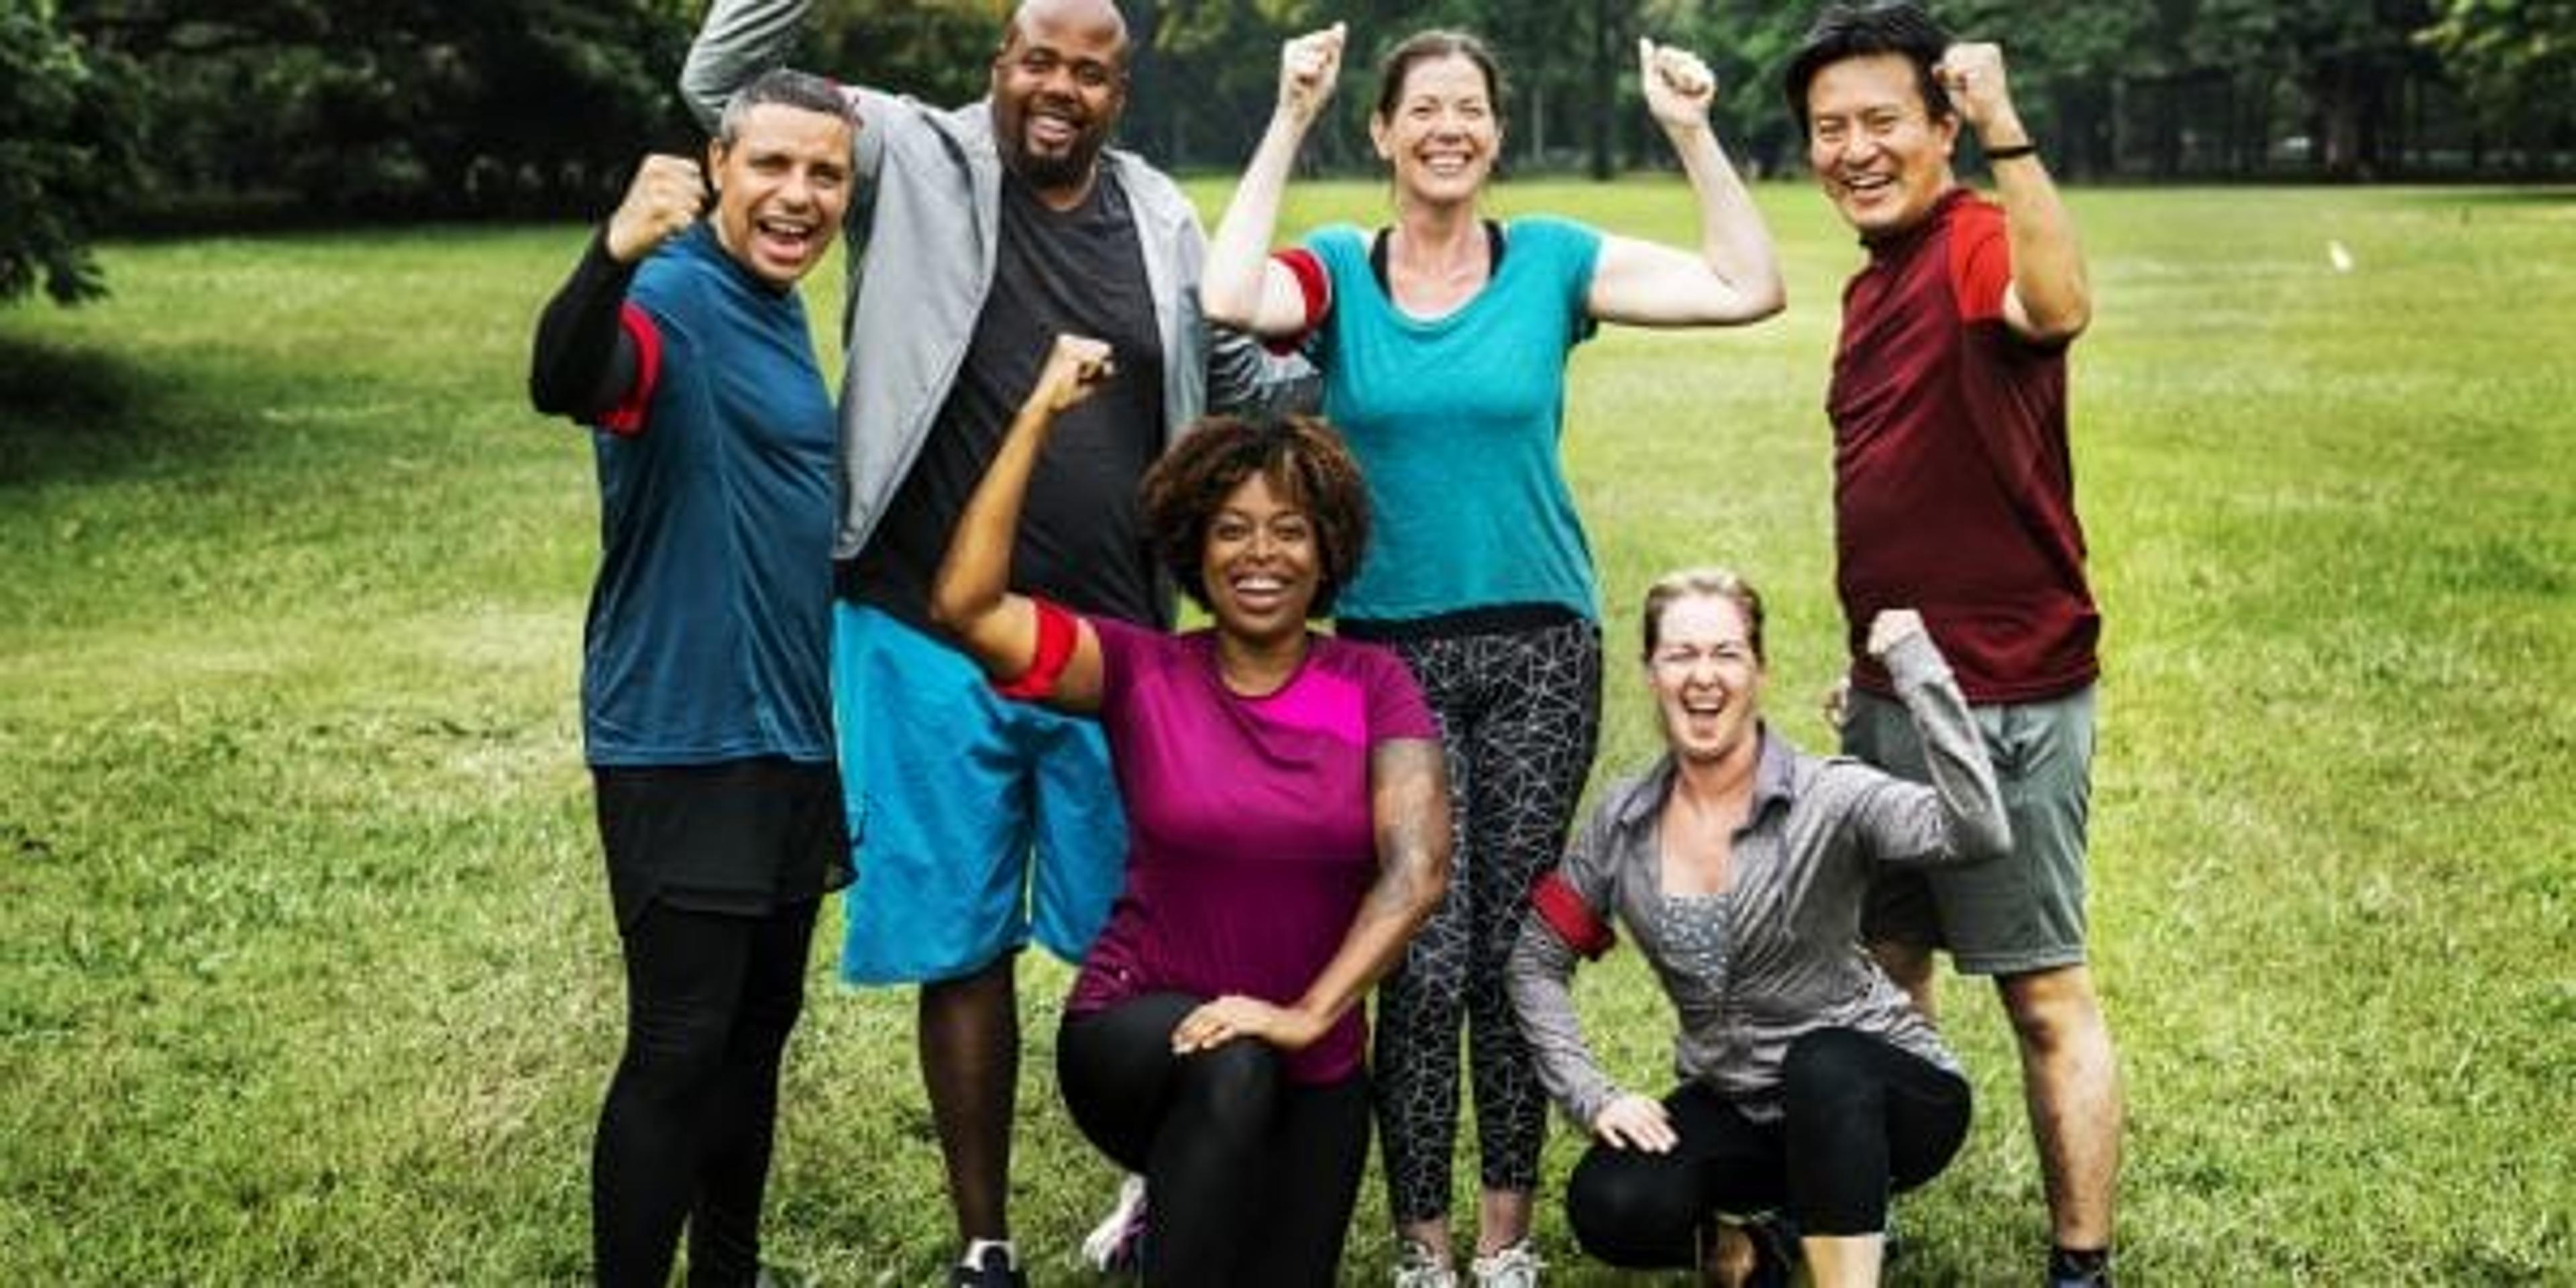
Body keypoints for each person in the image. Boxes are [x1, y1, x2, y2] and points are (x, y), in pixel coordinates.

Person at [680, 3, 1301, 1283]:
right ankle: (985, 1241)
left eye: (1090, 70)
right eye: (1039, 61)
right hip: (918, 629)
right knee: (961, 946)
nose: (1060, 89)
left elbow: (1241, 375)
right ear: (997, 69)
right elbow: (721, 82)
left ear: (1121, 90)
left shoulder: (1163, 218)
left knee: (1139, 943)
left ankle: (1152, 1197)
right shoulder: (907, 152)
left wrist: (1386, 339)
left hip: (1107, 648)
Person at [1199, 23, 1784, 1286]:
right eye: (1424, 110)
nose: (1449, 129)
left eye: (1471, 109)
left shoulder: (1553, 262)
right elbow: (1226, 294)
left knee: (1508, 948)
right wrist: (1290, 111)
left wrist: (1690, 131)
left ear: (1496, 133)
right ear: (1386, 132)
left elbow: (1748, 286)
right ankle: (1424, 1249)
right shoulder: (1341, 272)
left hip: (1537, 650)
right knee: (1419, 948)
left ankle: (1505, 1245)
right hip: (1392, 657)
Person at [928, 333, 1454, 1285]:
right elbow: (966, 606)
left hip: (1316, 1060)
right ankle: (1175, 1203)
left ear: (1327, 547)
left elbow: (1418, 870)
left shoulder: (1376, 685)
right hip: (1139, 1033)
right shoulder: (1139, 670)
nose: (1262, 554)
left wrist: (1304, 1016)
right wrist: (1038, 412)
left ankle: (1177, 1210)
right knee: (1233, 1065)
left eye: (1290, 529)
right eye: (1232, 529)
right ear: (1192, 547)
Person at [1784, 6, 2123, 1285]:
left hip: (2005, 698)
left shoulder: (1980, 237)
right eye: (1830, 129)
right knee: (1887, 967)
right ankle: (1876, 1211)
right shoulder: (1876, 276)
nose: (1855, 149)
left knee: (2040, 990)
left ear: (1940, 127)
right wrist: (1867, 674)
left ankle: (2079, 1265)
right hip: (1891, 699)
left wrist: (2010, 133)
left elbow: (2059, 301)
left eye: (1883, 121)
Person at [526, 68, 856, 1287]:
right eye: (773, 165)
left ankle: (729, 1271)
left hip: (788, 736)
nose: (799, 194)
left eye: (826, 173)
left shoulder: (773, 308)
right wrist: (609, 252)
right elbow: (569, 377)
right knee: (678, 1043)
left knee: (757, 1039)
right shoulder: (671, 292)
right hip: (684, 735)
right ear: (720, 164)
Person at [1507, 570, 2012, 1288]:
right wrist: (1593, 1092)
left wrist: (1919, 670)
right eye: (1681, 655)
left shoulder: (1827, 796)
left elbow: (1976, 831)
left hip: (1885, 1099)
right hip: (1744, 1106)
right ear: (1651, 671)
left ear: (1759, 672)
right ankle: (1753, 1256)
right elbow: (1535, 959)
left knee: (1823, 1065)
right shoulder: (1622, 824)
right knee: (1612, 1202)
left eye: (1726, 654)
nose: (1702, 676)